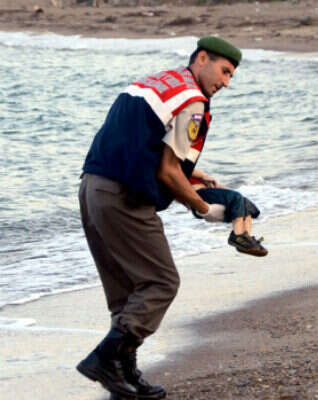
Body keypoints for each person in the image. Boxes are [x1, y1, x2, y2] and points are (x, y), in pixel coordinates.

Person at [76, 36, 242, 399]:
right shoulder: (193, 101)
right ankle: (104, 359)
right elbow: (167, 172)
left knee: (126, 293)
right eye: (225, 71)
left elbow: (141, 142)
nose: (226, 82)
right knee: (161, 282)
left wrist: (193, 175)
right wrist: (204, 209)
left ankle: (123, 380)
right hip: (123, 197)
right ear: (202, 58)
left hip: (92, 189)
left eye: (231, 75)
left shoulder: (158, 82)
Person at [189, 169, 268, 257]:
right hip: (199, 194)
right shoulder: (183, 168)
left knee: (243, 202)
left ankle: (247, 240)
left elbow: (215, 185)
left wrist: (233, 194)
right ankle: (237, 236)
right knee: (237, 197)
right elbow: (185, 169)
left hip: (209, 191)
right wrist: (204, 176)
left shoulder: (195, 173)